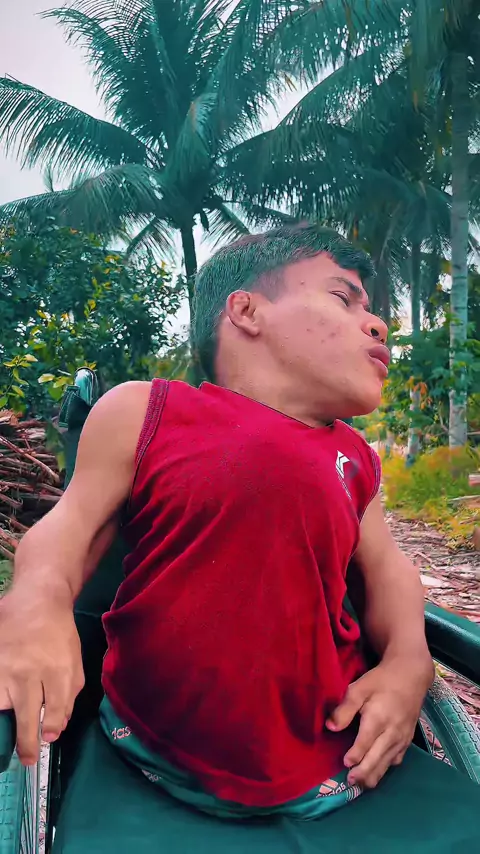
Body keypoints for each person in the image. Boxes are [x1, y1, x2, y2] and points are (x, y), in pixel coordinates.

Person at [0, 225, 478, 839]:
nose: (378, 323)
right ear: (246, 311)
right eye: (343, 297)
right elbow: (67, 531)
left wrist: (411, 661)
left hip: (336, 762)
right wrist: (37, 601)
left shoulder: (356, 458)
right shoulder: (147, 410)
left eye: (371, 307)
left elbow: (390, 573)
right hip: (151, 757)